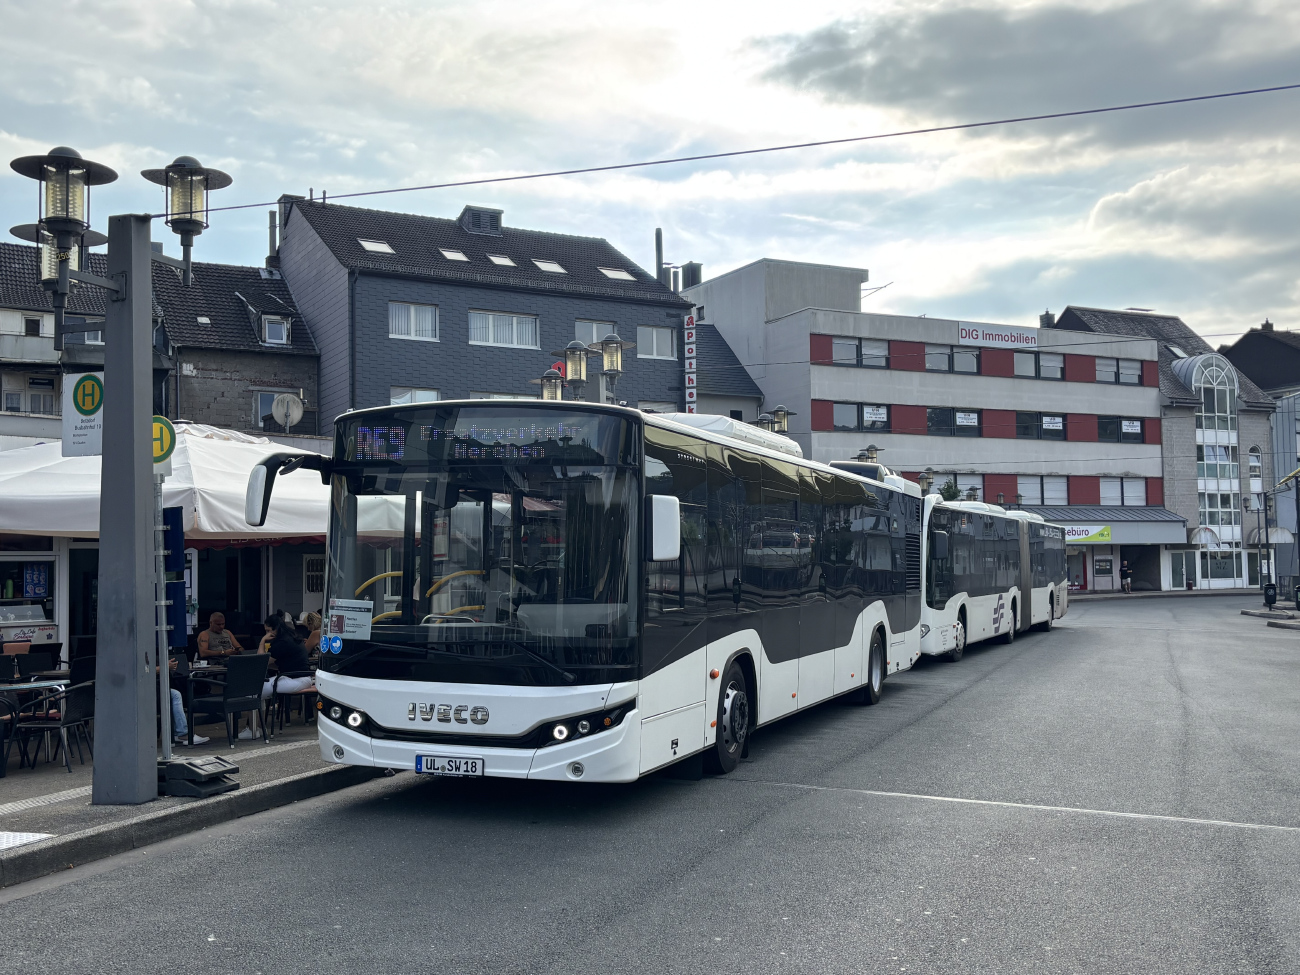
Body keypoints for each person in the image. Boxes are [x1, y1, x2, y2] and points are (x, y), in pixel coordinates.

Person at [257, 612, 315, 707]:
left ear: (275, 629)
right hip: (304, 678)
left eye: (268, 631)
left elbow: (261, 661)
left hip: (294, 680)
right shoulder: (292, 636)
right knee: (262, 688)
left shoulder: (282, 642)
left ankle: (256, 720)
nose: (267, 634)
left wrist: (262, 641)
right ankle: (259, 717)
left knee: (257, 690)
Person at [166, 656, 209, 746]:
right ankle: (183, 733)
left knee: (178, 692)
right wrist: (165, 666)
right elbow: (144, 670)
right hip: (148, 690)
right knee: (175, 694)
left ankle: (178, 733)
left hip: (158, 686)